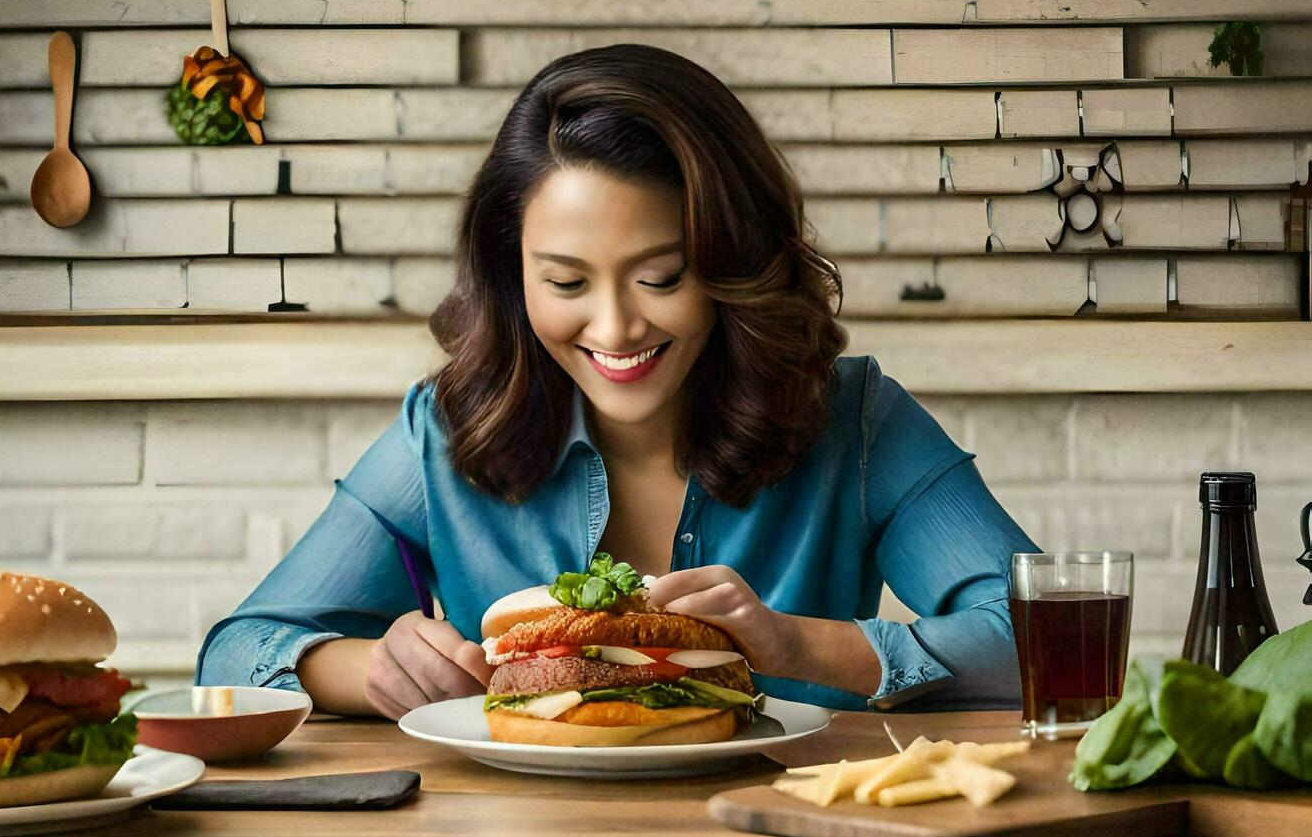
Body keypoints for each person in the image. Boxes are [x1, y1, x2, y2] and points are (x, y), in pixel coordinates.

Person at [196, 44, 1038, 719]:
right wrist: (368, 668)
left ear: (732, 265)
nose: (615, 329)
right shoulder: (448, 432)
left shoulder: (852, 420)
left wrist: (796, 646)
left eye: (662, 278)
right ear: (510, 272)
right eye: (565, 284)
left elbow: (1045, 638)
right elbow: (235, 653)